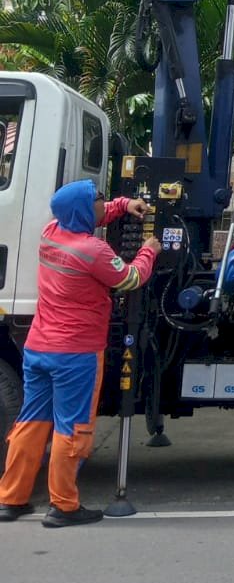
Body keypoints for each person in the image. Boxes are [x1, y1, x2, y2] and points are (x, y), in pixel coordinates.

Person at [0, 180, 159, 527]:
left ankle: (11, 498)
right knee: (71, 427)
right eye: (98, 200)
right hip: (76, 352)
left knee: (30, 423)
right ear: (85, 211)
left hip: (39, 347)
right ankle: (64, 506)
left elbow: (90, 216)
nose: (103, 203)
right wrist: (149, 249)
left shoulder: (51, 232)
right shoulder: (93, 252)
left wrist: (122, 204)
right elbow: (131, 278)